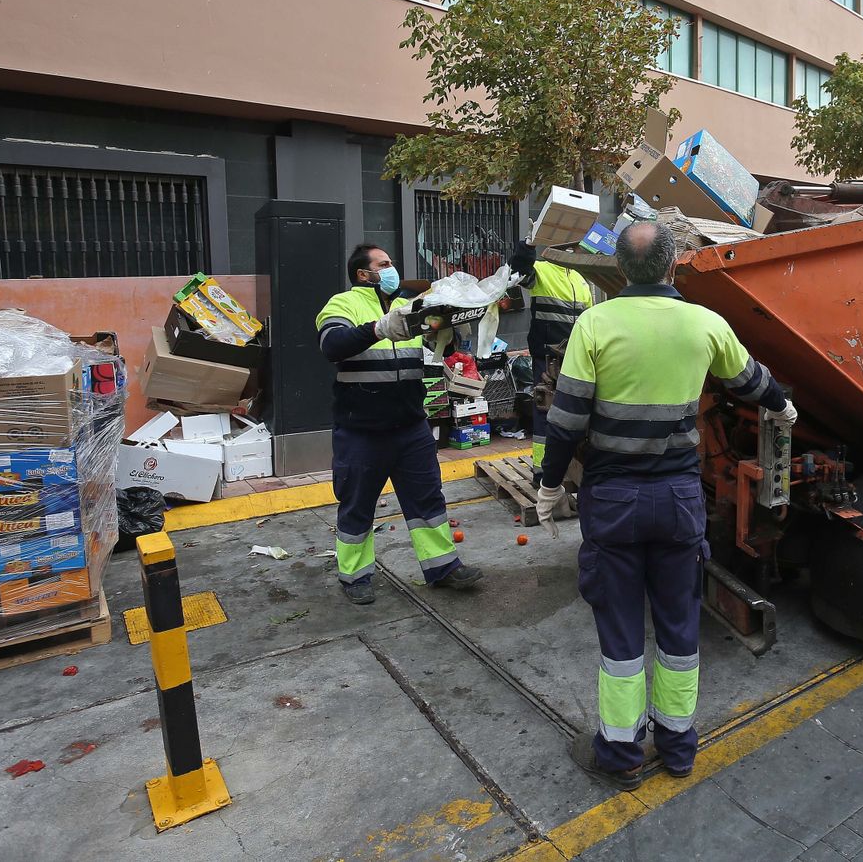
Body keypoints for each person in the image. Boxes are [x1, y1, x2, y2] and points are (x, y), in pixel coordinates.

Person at [535, 222, 794, 788]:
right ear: (674, 267)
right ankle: (678, 749)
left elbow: (567, 419)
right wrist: (784, 407)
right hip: (678, 500)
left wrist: (549, 485)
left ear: (622, 270)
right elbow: (753, 383)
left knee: (621, 632)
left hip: (614, 501)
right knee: (679, 628)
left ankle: (622, 755)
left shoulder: (595, 324)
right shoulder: (705, 323)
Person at [316, 244, 483, 604]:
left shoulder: (404, 307)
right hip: (362, 429)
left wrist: (448, 331)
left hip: (410, 426)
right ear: (364, 273)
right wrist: (378, 328)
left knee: (427, 500)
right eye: (385, 264)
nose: (392, 270)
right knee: (358, 503)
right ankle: (355, 576)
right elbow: (333, 345)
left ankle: (442, 567)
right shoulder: (342, 304)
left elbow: (431, 347)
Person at [507, 238, 593, 471]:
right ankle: (543, 470)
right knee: (546, 410)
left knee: (575, 411)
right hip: (547, 359)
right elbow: (517, 271)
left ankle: (571, 464)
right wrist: (527, 245)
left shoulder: (580, 279)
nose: (573, 250)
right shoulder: (540, 270)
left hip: (575, 358)